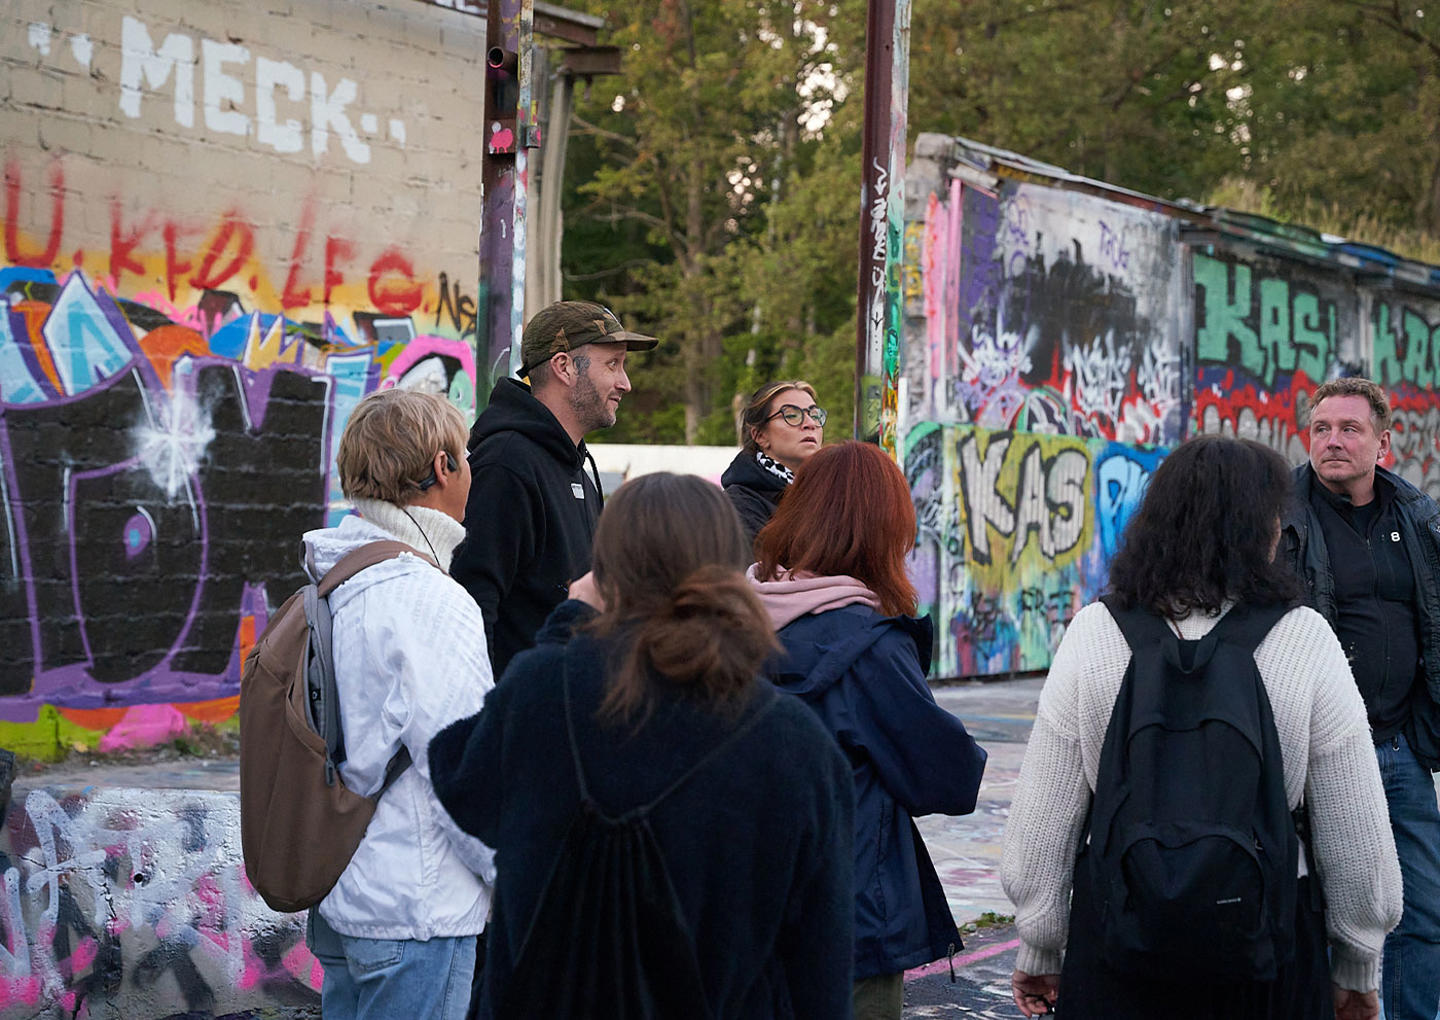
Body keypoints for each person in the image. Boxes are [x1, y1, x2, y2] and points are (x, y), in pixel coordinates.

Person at [1003, 434, 1402, 1020]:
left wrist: (1040, 943)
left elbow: (1044, 818)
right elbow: (1354, 826)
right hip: (1264, 947)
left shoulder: (1095, 632)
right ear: (1256, 528)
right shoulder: (1303, 637)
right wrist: (1357, 964)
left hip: (1118, 940)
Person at [429, 473, 856, 1018]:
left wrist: (568, 626)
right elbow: (820, 965)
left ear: (607, 569)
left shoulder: (543, 688)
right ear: (729, 567)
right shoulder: (796, 744)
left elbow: (459, 781)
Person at [749, 440, 988, 1020]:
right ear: (884, 532)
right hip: (848, 917)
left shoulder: (732, 619)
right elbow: (945, 779)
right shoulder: (870, 646)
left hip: (740, 910)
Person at [303, 389, 497, 1020]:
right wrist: (513, 876)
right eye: (466, 458)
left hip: (346, 892)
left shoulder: (336, 577)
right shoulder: (429, 599)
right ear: (443, 468)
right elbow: (464, 770)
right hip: (417, 911)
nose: (471, 473)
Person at [1280, 377, 1440, 1020]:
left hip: (1397, 747)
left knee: (1418, 913)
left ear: (1384, 444)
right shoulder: (1279, 517)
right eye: (1322, 429)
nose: (1333, 441)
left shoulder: (1421, 520)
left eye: (1350, 429)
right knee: (1313, 912)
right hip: (1310, 750)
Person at [452, 300, 657, 677]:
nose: (625, 383)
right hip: (524, 716)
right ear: (563, 366)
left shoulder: (575, 464)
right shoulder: (506, 464)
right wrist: (493, 717)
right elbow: (472, 604)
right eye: (612, 364)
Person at [722, 380, 826, 544]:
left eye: (815, 415)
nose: (810, 424)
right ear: (760, 436)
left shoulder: (832, 494)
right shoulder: (740, 505)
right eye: (792, 415)